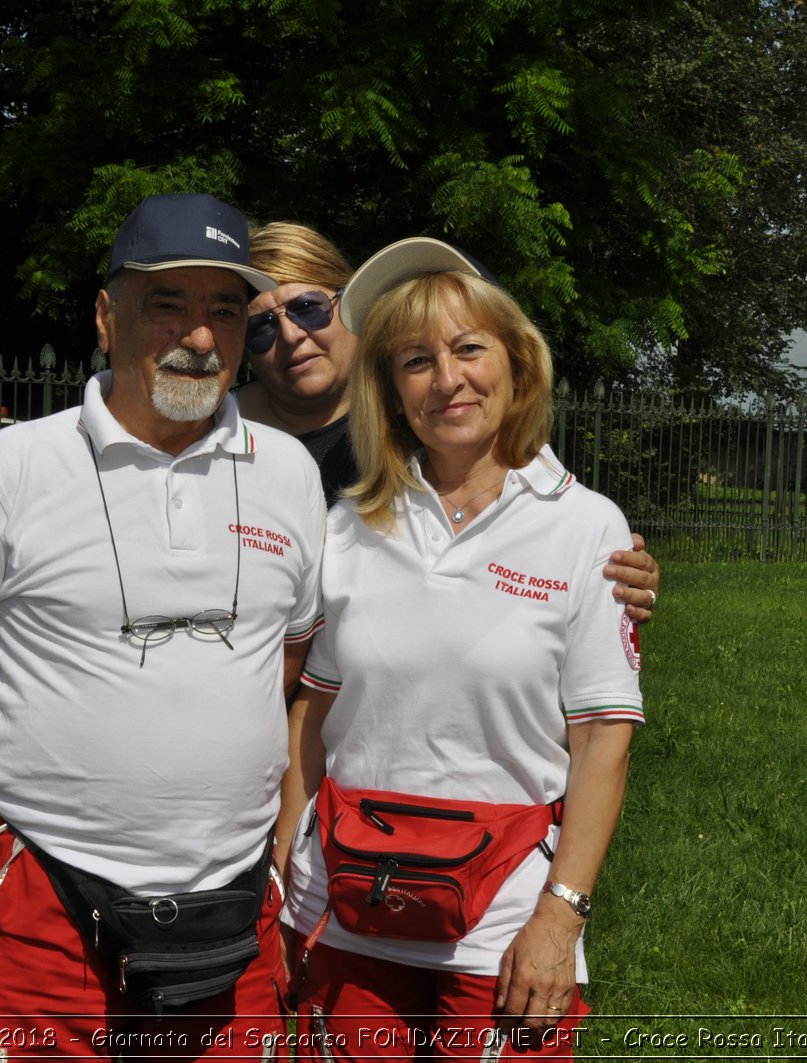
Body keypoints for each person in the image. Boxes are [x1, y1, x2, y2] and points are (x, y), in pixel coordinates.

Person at [0, 193, 326, 1059]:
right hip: (41, 901)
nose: (200, 336)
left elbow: (293, 650)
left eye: (225, 311)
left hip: (232, 909)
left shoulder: (288, 474)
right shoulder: (13, 469)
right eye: (168, 304)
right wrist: (44, 760)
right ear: (106, 317)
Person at [274, 238, 645, 1058]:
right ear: (390, 392)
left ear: (517, 364)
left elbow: (602, 741)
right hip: (344, 919)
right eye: (415, 361)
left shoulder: (589, 529)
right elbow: (313, 716)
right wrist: (280, 890)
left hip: (505, 933)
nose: (448, 380)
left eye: (469, 348)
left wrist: (562, 913)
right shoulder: (349, 526)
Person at [238, 221, 662, 621]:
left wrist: (608, 569)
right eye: (261, 327)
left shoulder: (431, 421)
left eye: (307, 308)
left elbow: (534, 521)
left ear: (347, 303)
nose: (291, 336)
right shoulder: (216, 437)